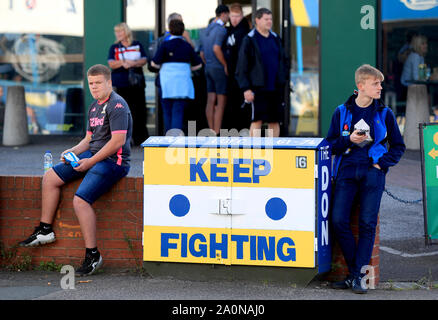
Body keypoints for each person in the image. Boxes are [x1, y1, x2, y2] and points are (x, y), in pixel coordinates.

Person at [19, 64, 133, 277]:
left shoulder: (117, 105)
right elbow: (90, 139)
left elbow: (118, 141)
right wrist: (73, 150)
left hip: (113, 161)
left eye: (99, 83)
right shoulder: (94, 106)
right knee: (51, 177)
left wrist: (89, 162)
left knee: (80, 201)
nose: (94, 87)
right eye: (91, 83)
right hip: (94, 157)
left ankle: (93, 255)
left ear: (109, 82)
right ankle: (45, 230)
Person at [327, 64, 405, 294]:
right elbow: (330, 145)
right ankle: (356, 274)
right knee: (339, 220)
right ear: (361, 86)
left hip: (373, 172)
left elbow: (399, 146)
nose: (380, 87)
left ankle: (356, 277)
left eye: (380, 83)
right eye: (376, 84)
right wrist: (349, 139)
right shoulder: (341, 112)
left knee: (367, 224)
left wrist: (381, 164)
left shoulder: (385, 113)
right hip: (346, 172)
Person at [235, 8, 288, 137]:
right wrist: (246, 89)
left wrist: (283, 79)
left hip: (275, 88)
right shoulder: (249, 39)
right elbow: (241, 67)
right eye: (266, 19)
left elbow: (283, 61)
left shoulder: (275, 38)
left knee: (275, 121)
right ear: (257, 20)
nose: (269, 22)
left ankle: (273, 152)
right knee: (257, 120)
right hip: (257, 88)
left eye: (270, 19)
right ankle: (255, 153)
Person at [151, 19, 202, 135]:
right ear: (183, 31)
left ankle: (168, 140)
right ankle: (175, 139)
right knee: (178, 111)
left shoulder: (165, 45)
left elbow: (154, 63)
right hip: (182, 84)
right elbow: (198, 64)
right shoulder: (187, 46)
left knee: (167, 111)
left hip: (166, 83)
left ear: (170, 30)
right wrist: (187, 69)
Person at [108, 22, 148, 146]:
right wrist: (123, 62)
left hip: (136, 84)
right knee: (123, 111)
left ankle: (141, 138)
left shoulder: (137, 45)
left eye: (120, 31)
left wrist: (132, 63)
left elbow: (144, 60)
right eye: (116, 32)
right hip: (121, 84)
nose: (118, 34)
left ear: (126, 32)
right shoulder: (114, 47)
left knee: (139, 110)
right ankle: (125, 140)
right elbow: (111, 64)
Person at [200, 4, 230, 135]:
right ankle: (216, 132)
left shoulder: (206, 29)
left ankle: (211, 130)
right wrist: (225, 64)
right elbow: (216, 48)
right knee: (221, 101)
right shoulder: (221, 30)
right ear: (224, 14)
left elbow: (201, 53)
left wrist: (208, 63)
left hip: (208, 66)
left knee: (210, 100)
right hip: (217, 67)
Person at [224, 3, 251, 131]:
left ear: (242, 16)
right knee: (233, 105)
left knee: (240, 106)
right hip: (232, 74)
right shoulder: (231, 31)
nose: (234, 19)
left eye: (237, 16)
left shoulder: (244, 32)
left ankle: (241, 132)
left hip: (240, 74)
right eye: (232, 16)